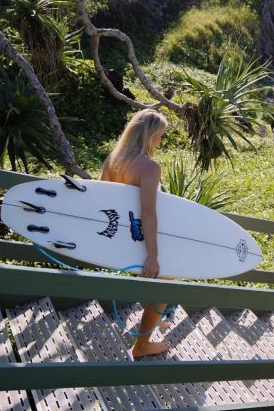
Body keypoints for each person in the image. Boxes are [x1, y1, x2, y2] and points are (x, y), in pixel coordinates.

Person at [101, 108, 170, 359]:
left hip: (117, 241)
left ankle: (158, 319)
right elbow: (148, 213)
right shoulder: (149, 168)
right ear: (149, 135)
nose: (160, 141)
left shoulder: (112, 161)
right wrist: (152, 255)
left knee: (162, 285)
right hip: (140, 240)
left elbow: (101, 203)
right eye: (159, 136)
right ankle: (142, 345)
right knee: (166, 283)